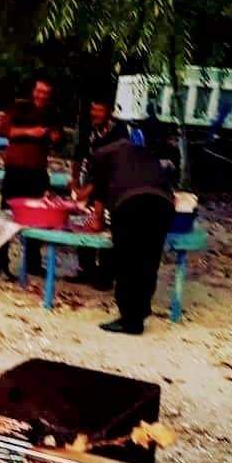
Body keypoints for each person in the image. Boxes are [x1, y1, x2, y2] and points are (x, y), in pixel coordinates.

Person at [84, 135, 175, 335]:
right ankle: (141, 310)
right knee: (149, 260)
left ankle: (130, 321)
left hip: (131, 203)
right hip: (163, 203)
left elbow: (99, 193)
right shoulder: (142, 152)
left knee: (127, 262)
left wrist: (98, 220)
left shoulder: (101, 155)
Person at [0, 75, 63, 279]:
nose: (42, 96)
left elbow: (58, 138)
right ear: (33, 91)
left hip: (38, 171)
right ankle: (1, 265)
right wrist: (31, 132)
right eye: (39, 91)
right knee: (7, 215)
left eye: (46, 93)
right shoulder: (18, 107)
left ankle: (33, 263)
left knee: (39, 216)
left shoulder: (52, 112)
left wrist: (56, 137)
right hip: (15, 170)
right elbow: (2, 131)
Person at [66, 93, 127, 288]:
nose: (95, 114)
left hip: (113, 186)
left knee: (107, 228)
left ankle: (106, 275)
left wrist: (89, 190)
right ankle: (86, 269)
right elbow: (78, 155)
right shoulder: (87, 128)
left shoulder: (119, 132)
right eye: (93, 109)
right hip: (91, 180)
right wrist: (75, 180)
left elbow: (109, 169)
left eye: (99, 110)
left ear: (109, 112)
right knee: (87, 223)